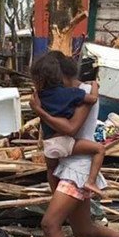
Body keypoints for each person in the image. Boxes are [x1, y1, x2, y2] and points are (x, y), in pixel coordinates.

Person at [30, 51, 119, 237]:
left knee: (49, 223)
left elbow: (71, 128)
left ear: (59, 75)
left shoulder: (83, 93)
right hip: (67, 165)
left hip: (79, 168)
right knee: (83, 229)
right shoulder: (63, 94)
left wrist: (39, 111)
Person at [31, 53, 105, 196]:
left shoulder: (77, 92)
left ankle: (58, 194)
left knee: (52, 219)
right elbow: (70, 127)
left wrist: (39, 111)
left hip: (72, 165)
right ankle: (91, 181)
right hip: (70, 162)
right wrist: (95, 85)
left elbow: (70, 128)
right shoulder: (72, 94)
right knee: (74, 219)